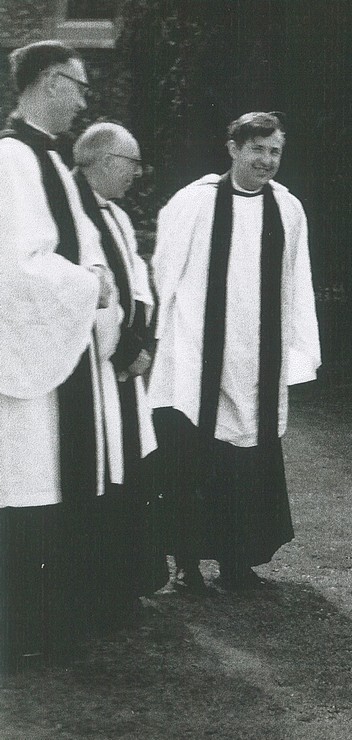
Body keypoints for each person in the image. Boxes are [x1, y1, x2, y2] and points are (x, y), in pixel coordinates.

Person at [148, 111, 321, 593]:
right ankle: (186, 566)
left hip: (256, 359)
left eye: (275, 152)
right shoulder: (195, 203)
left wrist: (298, 348)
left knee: (247, 464)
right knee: (189, 461)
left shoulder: (288, 209)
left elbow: (296, 281)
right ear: (233, 148)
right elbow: (165, 274)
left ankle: (237, 562)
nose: (266, 161)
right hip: (196, 356)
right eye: (257, 149)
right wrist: (156, 340)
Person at [0, 41, 121, 670]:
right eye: (76, 85)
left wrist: (96, 277)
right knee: (25, 486)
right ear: (48, 83)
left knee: (48, 485)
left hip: (64, 358)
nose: (82, 99)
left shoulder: (47, 160)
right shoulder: (12, 161)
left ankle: (48, 621)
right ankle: (22, 629)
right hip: (26, 372)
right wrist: (88, 285)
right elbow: (14, 272)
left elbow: (86, 242)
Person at [72, 122, 169, 625]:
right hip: (95, 368)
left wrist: (143, 339)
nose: (135, 174)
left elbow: (135, 283)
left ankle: (130, 578)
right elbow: (94, 288)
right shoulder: (74, 215)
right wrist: (125, 346)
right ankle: (100, 586)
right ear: (104, 161)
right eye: (130, 164)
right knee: (102, 467)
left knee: (132, 466)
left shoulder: (117, 215)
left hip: (126, 369)